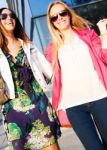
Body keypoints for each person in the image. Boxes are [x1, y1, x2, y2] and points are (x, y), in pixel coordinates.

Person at [0, 8, 61, 150]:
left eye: (12, 16)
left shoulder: (28, 45)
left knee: (52, 147)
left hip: (39, 105)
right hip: (13, 111)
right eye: (4, 16)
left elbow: (50, 71)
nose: (9, 18)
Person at [46, 1, 107, 149]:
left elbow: (104, 57)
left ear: (68, 13)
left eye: (62, 13)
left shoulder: (88, 35)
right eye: (54, 17)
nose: (59, 18)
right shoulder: (51, 49)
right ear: (52, 22)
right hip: (74, 106)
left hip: (99, 97)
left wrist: (104, 32)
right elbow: (45, 74)